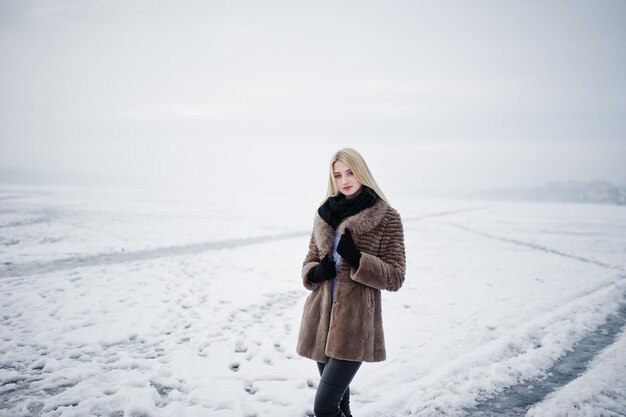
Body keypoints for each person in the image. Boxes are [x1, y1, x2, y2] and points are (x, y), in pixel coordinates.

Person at [297, 148, 407, 417]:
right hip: (320, 322)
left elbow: (396, 276)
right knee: (339, 405)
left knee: (323, 408)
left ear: (362, 173)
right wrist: (315, 272)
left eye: (350, 172)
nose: (344, 180)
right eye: (338, 175)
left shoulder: (387, 217)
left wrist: (358, 259)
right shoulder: (324, 215)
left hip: (354, 328)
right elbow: (308, 263)